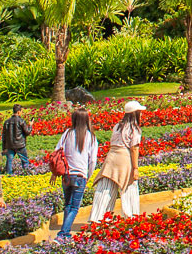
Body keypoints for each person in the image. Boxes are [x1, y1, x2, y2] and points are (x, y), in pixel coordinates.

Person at [94, 100, 145, 220]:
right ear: (135, 114)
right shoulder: (134, 129)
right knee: (129, 188)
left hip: (111, 157)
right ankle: (131, 217)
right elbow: (134, 149)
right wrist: (135, 168)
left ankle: (98, 218)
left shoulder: (117, 126)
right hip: (124, 158)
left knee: (106, 187)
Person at [55, 109, 99, 238]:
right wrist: (88, 175)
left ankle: (64, 232)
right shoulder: (91, 137)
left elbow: (57, 151)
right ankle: (63, 234)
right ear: (86, 120)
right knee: (74, 207)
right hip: (80, 176)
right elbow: (92, 160)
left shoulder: (67, 133)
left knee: (68, 205)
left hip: (67, 175)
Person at [0, 105, 31, 174]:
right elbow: (27, 132)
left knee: (9, 161)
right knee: (24, 160)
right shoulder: (21, 121)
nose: (22, 113)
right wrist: (30, 125)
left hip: (10, 145)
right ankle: (26, 173)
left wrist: (4, 147)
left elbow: (4, 135)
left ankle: (9, 175)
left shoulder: (7, 122)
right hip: (20, 145)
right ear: (18, 112)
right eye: (21, 111)